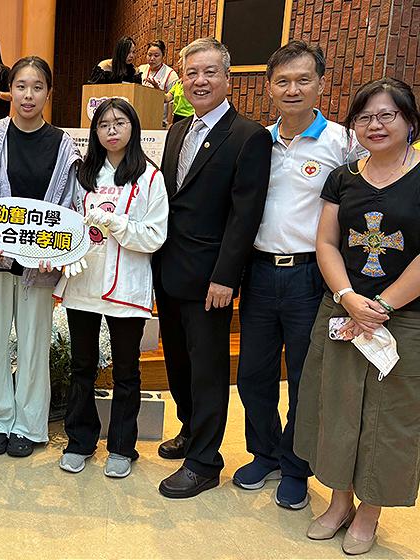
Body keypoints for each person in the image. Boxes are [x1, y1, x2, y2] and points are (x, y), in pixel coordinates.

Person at [233, 40, 367, 510]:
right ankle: (265, 452)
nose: (292, 89)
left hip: (311, 276)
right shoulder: (258, 141)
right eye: (283, 81)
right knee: (253, 373)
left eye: (303, 80)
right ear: (269, 87)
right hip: (259, 272)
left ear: (320, 85)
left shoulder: (342, 143)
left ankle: (295, 465)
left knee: (306, 378)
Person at [294, 77, 420, 555]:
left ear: (410, 121)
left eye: (387, 115)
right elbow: (326, 242)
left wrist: (384, 305)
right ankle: (339, 502)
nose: (375, 125)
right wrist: (347, 296)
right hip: (343, 310)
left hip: (404, 317)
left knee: (390, 417)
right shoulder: (343, 177)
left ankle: (370, 512)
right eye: (365, 117)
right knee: (337, 407)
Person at [153, 37, 272, 499]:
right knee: (178, 362)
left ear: (227, 77)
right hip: (169, 269)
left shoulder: (248, 136)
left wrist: (226, 277)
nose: (199, 81)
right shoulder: (178, 130)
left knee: (207, 369)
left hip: (210, 279)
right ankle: (190, 429)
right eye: (191, 73)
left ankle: (204, 461)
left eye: (209, 72)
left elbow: (245, 215)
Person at [0, 56, 81, 458]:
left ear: (49, 92)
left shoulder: (63, 145)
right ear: (10, 90)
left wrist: (59, 250)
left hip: (39, 264)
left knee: (33, 345)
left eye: (38, 87)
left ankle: (28, 425)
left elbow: (70, 205)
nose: (29, 95)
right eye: (22, 86)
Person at [56, 98, 168, 478]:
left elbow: (155, 235)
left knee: (126, 371)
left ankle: (122, 447)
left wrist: (116, 224)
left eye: (120, 123)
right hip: (84, 281)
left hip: (128, 287)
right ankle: (79, 441)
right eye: (104, 125)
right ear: (95, 132)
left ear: (133, 128)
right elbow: (68, 224)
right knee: (82, 366)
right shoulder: (84, 175)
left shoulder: (150, 177)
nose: (112, 131)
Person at [138, 40, 178, 127]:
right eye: (149, 55)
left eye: (156, 55)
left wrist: (169, 124)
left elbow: (171, 102)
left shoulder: (171, 75)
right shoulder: (141, 69)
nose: (152, 58)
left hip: (160, 121)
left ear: (163, 56)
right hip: (140, 117)